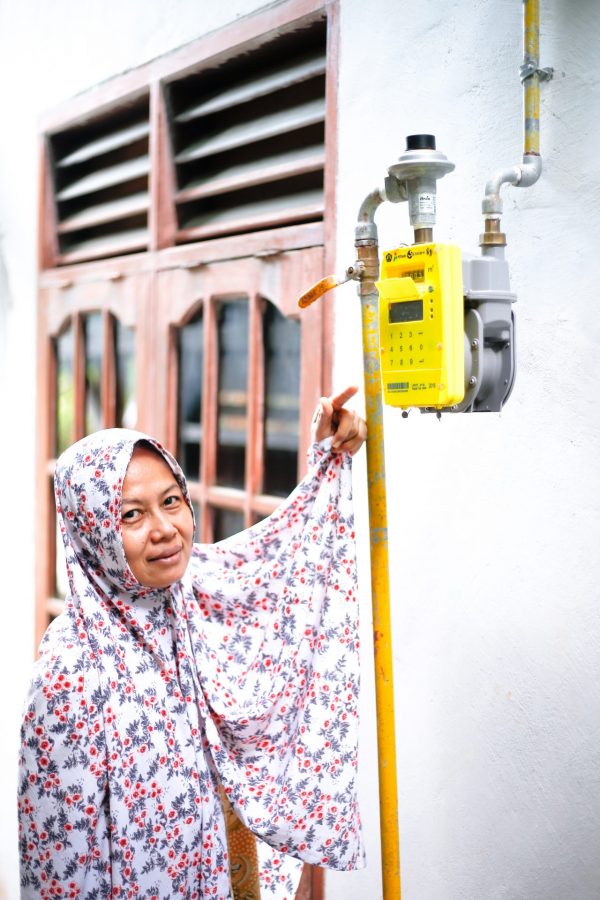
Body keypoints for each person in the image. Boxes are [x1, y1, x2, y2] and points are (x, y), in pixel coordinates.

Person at [18, 388, 367, 899]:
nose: (165, 530)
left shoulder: (189, 593)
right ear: (91, 534)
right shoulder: (72, 674)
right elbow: (58, 874)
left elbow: (283, 560)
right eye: (130, 515)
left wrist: (327, 457)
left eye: (171, 501)